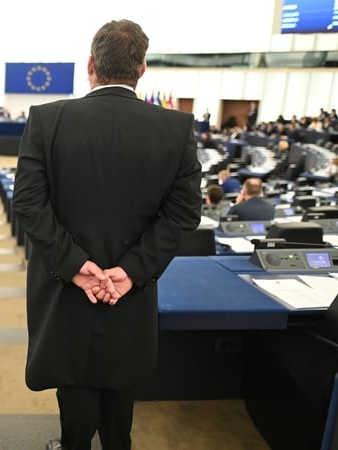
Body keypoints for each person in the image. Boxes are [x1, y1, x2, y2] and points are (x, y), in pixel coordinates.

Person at [11, 20, 202, 450]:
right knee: (122, 391)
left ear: (90, 65)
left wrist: (75, 266)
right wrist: (131, 272)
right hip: (129, 294)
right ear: (142, 69)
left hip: (65, 291)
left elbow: (27, 203)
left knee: (73, 388)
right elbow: (184, 214)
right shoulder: (176, 129)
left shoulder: (46, 120)